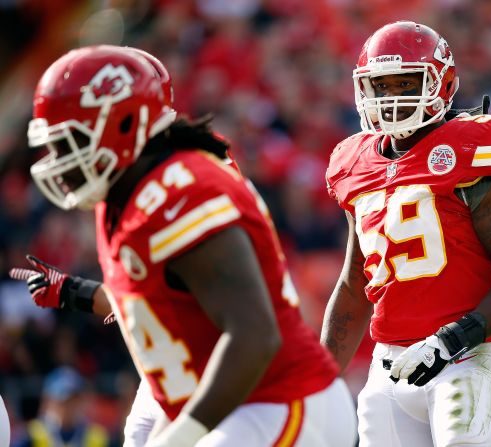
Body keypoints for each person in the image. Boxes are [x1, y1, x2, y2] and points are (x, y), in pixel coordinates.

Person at [10, 45, 356, 447]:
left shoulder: (181, 190)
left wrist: (181, 437)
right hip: (225, 397)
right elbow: (163, 311)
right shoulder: (123, 197)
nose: (58, 161)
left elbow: (254, 335)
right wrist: (78, 293)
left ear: (122, 125)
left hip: (277, 398)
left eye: (69, 143)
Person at [320, 20, 491, 447]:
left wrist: (452, 339)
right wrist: (315, 381)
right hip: (388, 368)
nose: (391, 98)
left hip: (467, 358)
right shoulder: (353, 163)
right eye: (381, 86)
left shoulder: (473, 146)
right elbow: (355, 284)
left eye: (406, 82)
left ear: (441, 83)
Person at [12, 367, 109, 447]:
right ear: (48, 401)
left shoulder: (97, 437)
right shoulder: (30, 436)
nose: (68, 406)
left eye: (73, 400)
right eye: (62, 400)